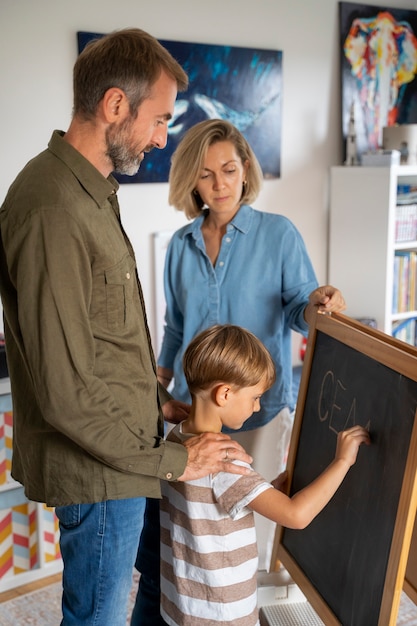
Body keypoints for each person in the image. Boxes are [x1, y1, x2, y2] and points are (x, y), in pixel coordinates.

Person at [0, 31, 253, 626]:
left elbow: (103, 343)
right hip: (101, 474)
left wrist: (159, 407)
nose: (165, 138)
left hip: (127, 452)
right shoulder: (52, 208)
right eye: (161, 119)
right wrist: (175, 464)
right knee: (97, 618)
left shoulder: (89, 192)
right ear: (116, 106)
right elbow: (65, 391)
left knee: (146, 599)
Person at [132, 118, 347, 625]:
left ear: (246, 169)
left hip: (259, 409)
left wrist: (321, 303)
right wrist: (155, 389)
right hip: (192, 412)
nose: (220, 184)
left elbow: (302, 308)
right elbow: (175, 325)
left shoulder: (278, 233)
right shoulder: (180, 245)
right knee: (193, 529)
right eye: (206, 174)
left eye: (229, 169)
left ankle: (235, 605)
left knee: (249, 521)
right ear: (191, 180)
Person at [159, 324, 370, 625]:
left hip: (183, 605)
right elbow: (296, 516)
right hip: (223, 614)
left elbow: (210, 507)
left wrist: (264, 491)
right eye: (255, 397)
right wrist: (342, 461)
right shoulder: (226, 460)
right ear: (225, 394)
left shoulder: (177, 440)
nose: (257, 408)